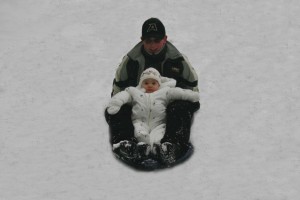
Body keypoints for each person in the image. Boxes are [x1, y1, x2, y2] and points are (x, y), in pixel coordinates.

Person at [105, 17, 200, 166]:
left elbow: (192, 88)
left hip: (166, 107)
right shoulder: (130, 62)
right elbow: (118, 91)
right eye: (148, 41)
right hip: (138, 105)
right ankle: (125, 144)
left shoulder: (179, 61)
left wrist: (183, 104)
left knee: (181, 107)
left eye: (157, 40)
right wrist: (120, 104)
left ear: (165, 39)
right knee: (117, 110)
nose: (153, 45)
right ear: (142, 40)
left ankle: (172, 145)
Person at [107, 68, 199, 164]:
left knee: (159, 136)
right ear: (140, 84)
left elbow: (180, 93)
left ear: (159, 84)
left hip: (159, 124)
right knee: (138, 133)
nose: (150, 85)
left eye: (153, 83)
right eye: (146, 83)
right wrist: (116, 103)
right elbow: (122, 96)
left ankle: (164, 150)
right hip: (139, 122)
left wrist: (193, 96)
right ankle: (138, 149)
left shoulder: (165, 92)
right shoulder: (134, 92)